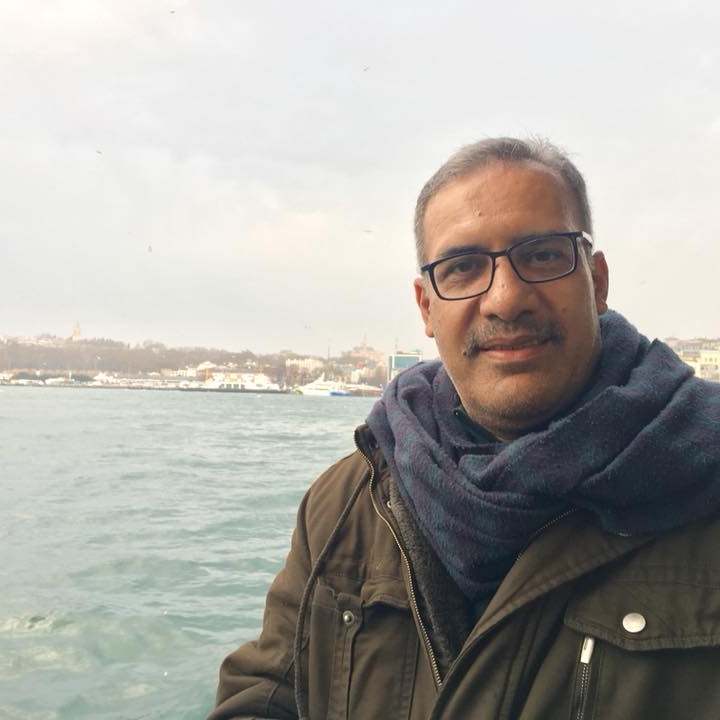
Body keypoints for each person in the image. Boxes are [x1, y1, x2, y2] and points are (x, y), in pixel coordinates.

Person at [207, 137, 720, 720]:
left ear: (596, 281)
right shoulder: (347, 504)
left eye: (543, 255)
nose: (505, 299)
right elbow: (269, 692)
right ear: (426, 307)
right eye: (462, 267)